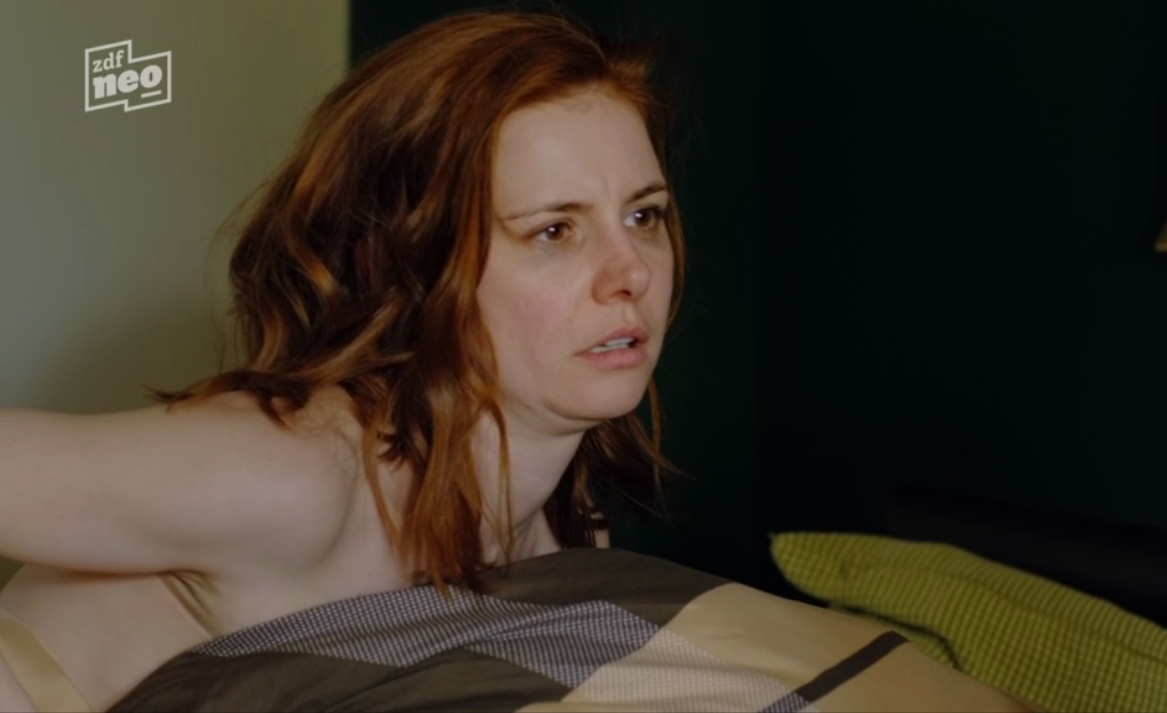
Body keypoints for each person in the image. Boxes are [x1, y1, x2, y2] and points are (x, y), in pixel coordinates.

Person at [0, 8, 683, 711]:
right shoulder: (297, 478)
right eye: (554, 230)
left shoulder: (561, 533)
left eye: (644, 215)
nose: (631, 271)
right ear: (403, 266)